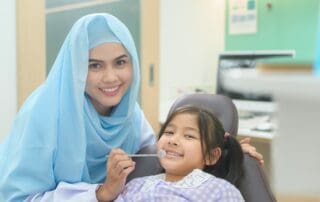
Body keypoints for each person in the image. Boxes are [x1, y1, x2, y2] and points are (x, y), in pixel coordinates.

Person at [0, 13, 262, 201]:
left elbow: (156, 150)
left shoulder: (128, 113)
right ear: (75, 70)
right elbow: (20, 198)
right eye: (94, 65)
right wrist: (100, 194)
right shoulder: (43, 114)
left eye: (120, 62)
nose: (111, 78)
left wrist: (228, 148)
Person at [103, 105, 244, 201]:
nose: (173, 140)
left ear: (211, 156)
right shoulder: (135, 185)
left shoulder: (220, 191)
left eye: (189, 136)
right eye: (169, 132)